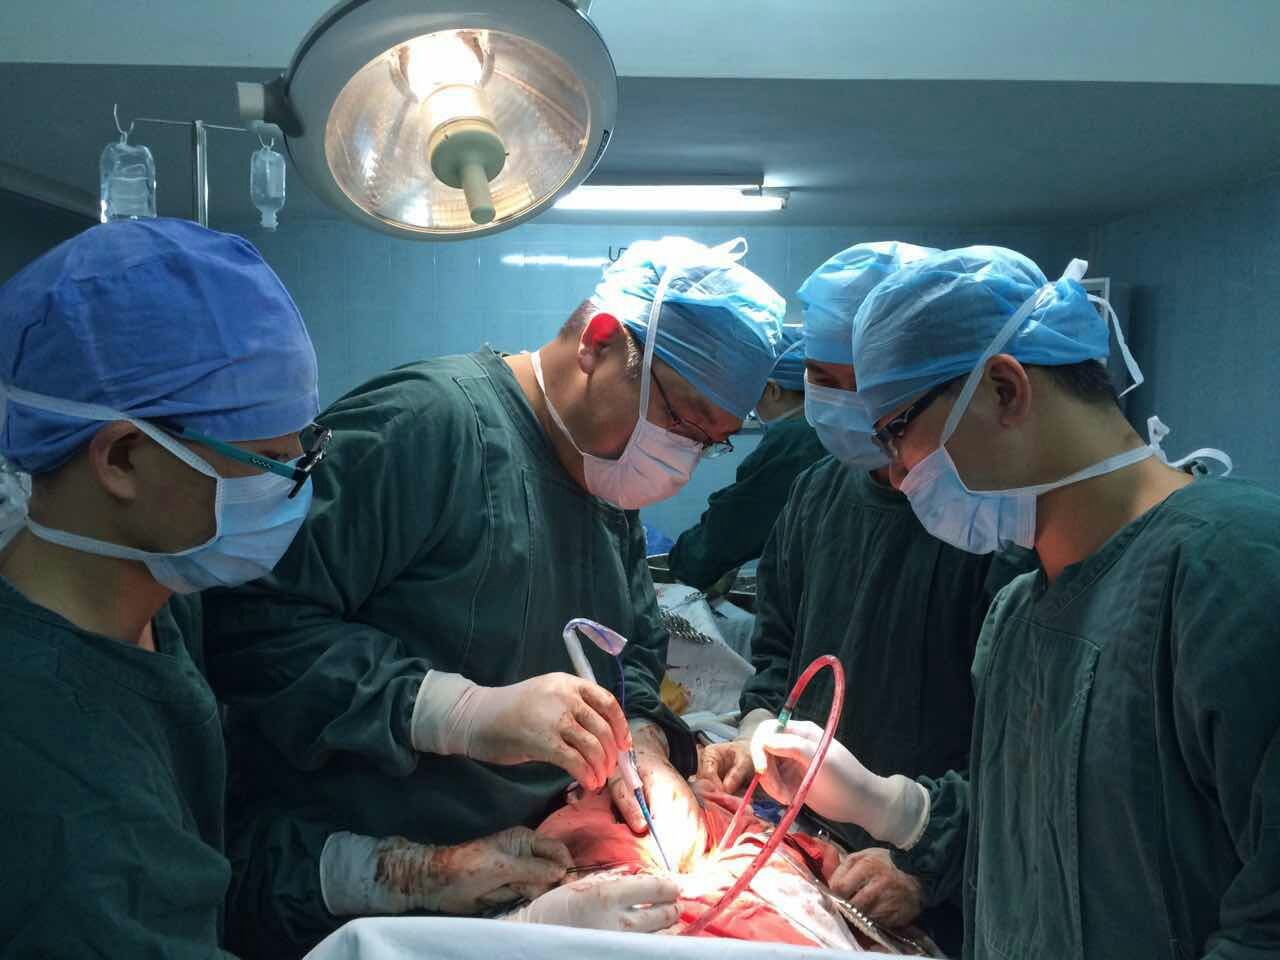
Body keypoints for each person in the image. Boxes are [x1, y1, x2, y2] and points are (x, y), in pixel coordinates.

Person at [202, 237, 786, 957]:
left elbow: (628, 645)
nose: (684, 458)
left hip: (521, 892)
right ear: (600, 342)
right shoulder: (428, 426)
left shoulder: (607, 480)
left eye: (712, 441)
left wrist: (642, 743)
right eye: (684, 421)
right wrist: (451, 710)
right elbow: (246, 624)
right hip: (354, 898)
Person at [752, 246, 1280, 959]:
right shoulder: (1019, 616)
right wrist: (891, 805)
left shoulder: (1237, 574)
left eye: (897, 431)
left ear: (1004, 388)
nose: (897, 473)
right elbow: (1041, 841)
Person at [696, 241, 1031, 952]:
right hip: (813, 845)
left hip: (943, 876)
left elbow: (1029, 755)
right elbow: (779, 648)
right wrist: (757, 729)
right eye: (820, 379)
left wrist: (928, 860)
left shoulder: (990, 523)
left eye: (862, 385)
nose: (844, 406)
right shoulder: (817, 495)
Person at [0, 218, 321, 956]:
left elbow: (191, 870)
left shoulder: (159, 593)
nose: (296, 483)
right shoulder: (46, 760)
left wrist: (395, 874)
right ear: (121, 458)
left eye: (303, 447)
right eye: (268, 459)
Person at [667, 325, 826, 590]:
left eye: (752, 395)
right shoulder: (832, 431)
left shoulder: (795, 439)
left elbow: (735, 523)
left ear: (773, 390)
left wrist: (684, 562)